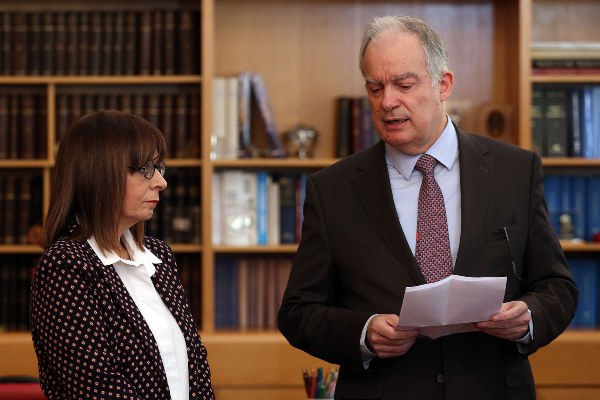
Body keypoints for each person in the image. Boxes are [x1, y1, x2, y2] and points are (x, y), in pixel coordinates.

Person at [278, 15, 578, 400]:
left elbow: (558, 287)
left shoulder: (514, 171)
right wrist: (364, 332)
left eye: (404, 84)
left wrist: (528, 318)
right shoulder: (332, 189)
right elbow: (298, 312)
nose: (388, 102)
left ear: (443, 85)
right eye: (375, 88)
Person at [30, 110, 215, 400]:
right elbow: (95, 388)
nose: (161, 182)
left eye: (159, 167)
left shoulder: (158, 256)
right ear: (100, 172)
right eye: (144, 169)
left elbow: (196, 368)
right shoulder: (65, 267)